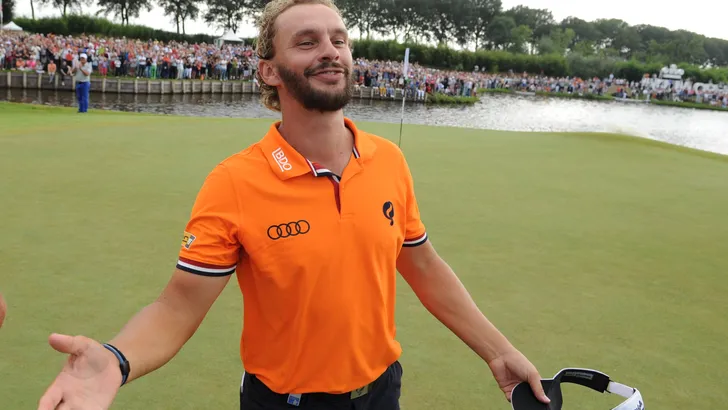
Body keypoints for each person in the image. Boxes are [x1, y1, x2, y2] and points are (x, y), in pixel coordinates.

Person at [36, 1, 552, 410]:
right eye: (307, 42)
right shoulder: (234, 181)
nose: (330, 51)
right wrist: (117, 359)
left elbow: (423, 265)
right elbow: (178, 306)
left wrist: (499, 352)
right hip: (285, 403)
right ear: (270, 71)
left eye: (339, 39)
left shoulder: (389, 160)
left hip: (381, 393)